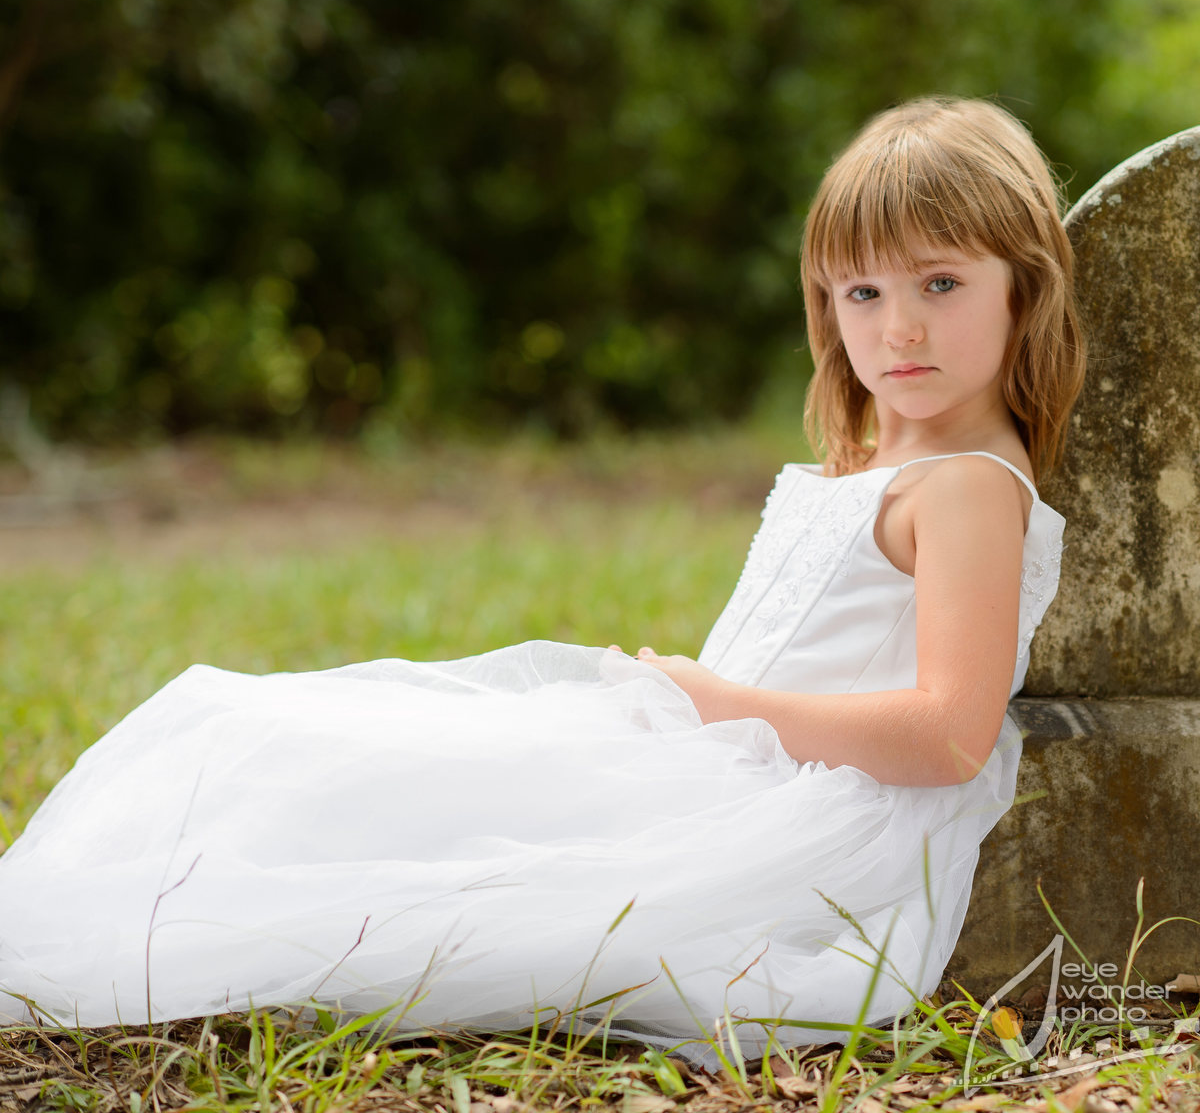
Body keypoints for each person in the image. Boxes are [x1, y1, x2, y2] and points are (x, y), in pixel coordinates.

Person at [0, 96, 1085, 1064]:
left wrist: (721, 707)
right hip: (719, 750)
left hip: (788, 804)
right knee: (314, 744)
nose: (898, 327)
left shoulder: (969, 490)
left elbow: (951, 735)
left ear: (1022, 287)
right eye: (863, 291)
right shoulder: (883, 464)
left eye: (941, 284)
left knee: (409, 810)